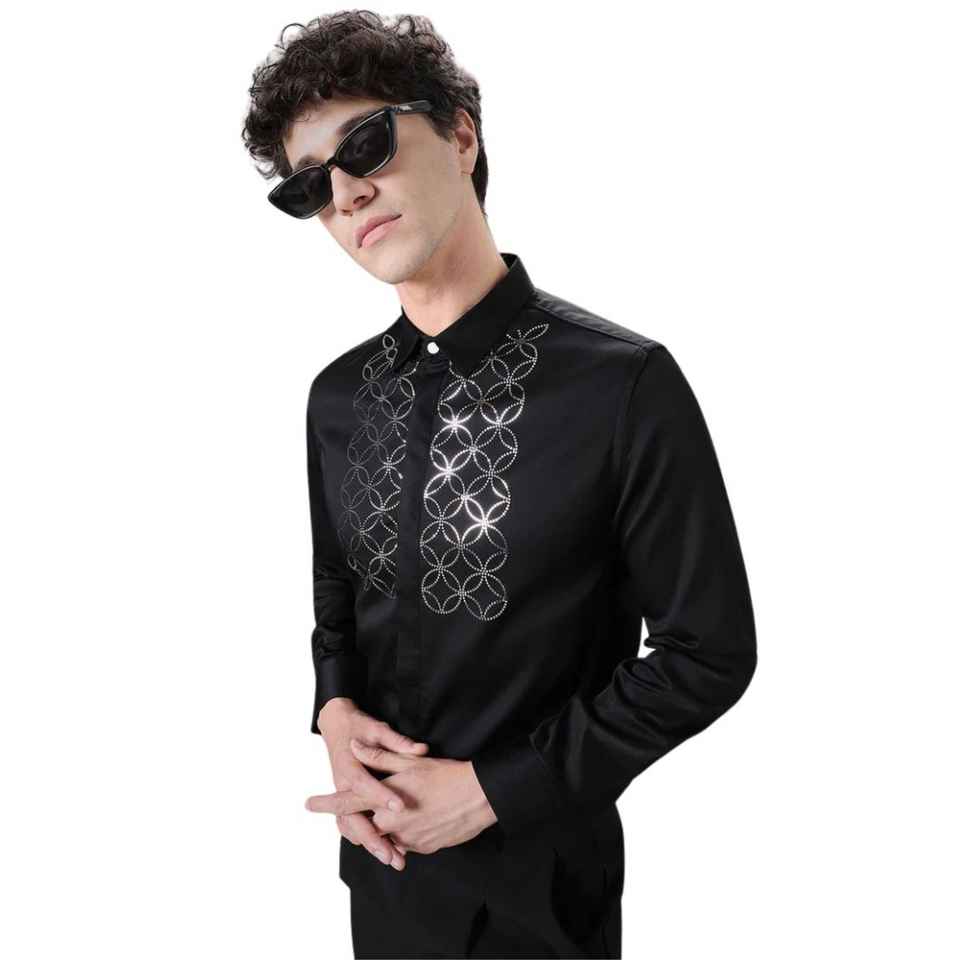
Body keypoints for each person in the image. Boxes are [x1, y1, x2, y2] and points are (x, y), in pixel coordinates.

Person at [242, 11, 757, 959]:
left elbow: (708, 652)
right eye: (312, 185)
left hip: (543, 901)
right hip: (384, 881)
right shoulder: (338, 398)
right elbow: (338, 589)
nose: (348, 194)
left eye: (366, 145)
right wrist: (334, 707)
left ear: (461, 133)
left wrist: (493, 790)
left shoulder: (621, 386)